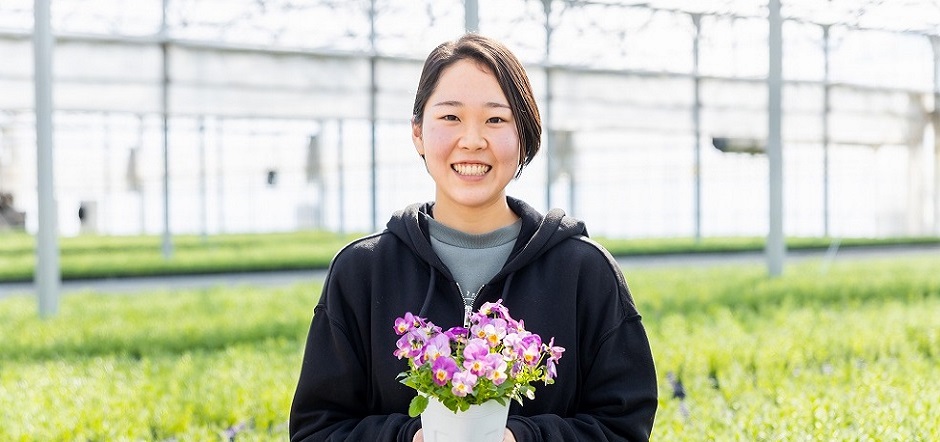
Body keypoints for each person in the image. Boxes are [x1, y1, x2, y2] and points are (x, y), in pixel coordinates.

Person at [290, 33, 658, 441]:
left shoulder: (584, 272)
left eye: (496, 120)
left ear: (525, 135)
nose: (472, 140)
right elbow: (316, 429)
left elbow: (625, 425)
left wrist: (523, 439)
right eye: (450, 117)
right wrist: (409, 438)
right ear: (417, 133)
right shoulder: (363, 272)